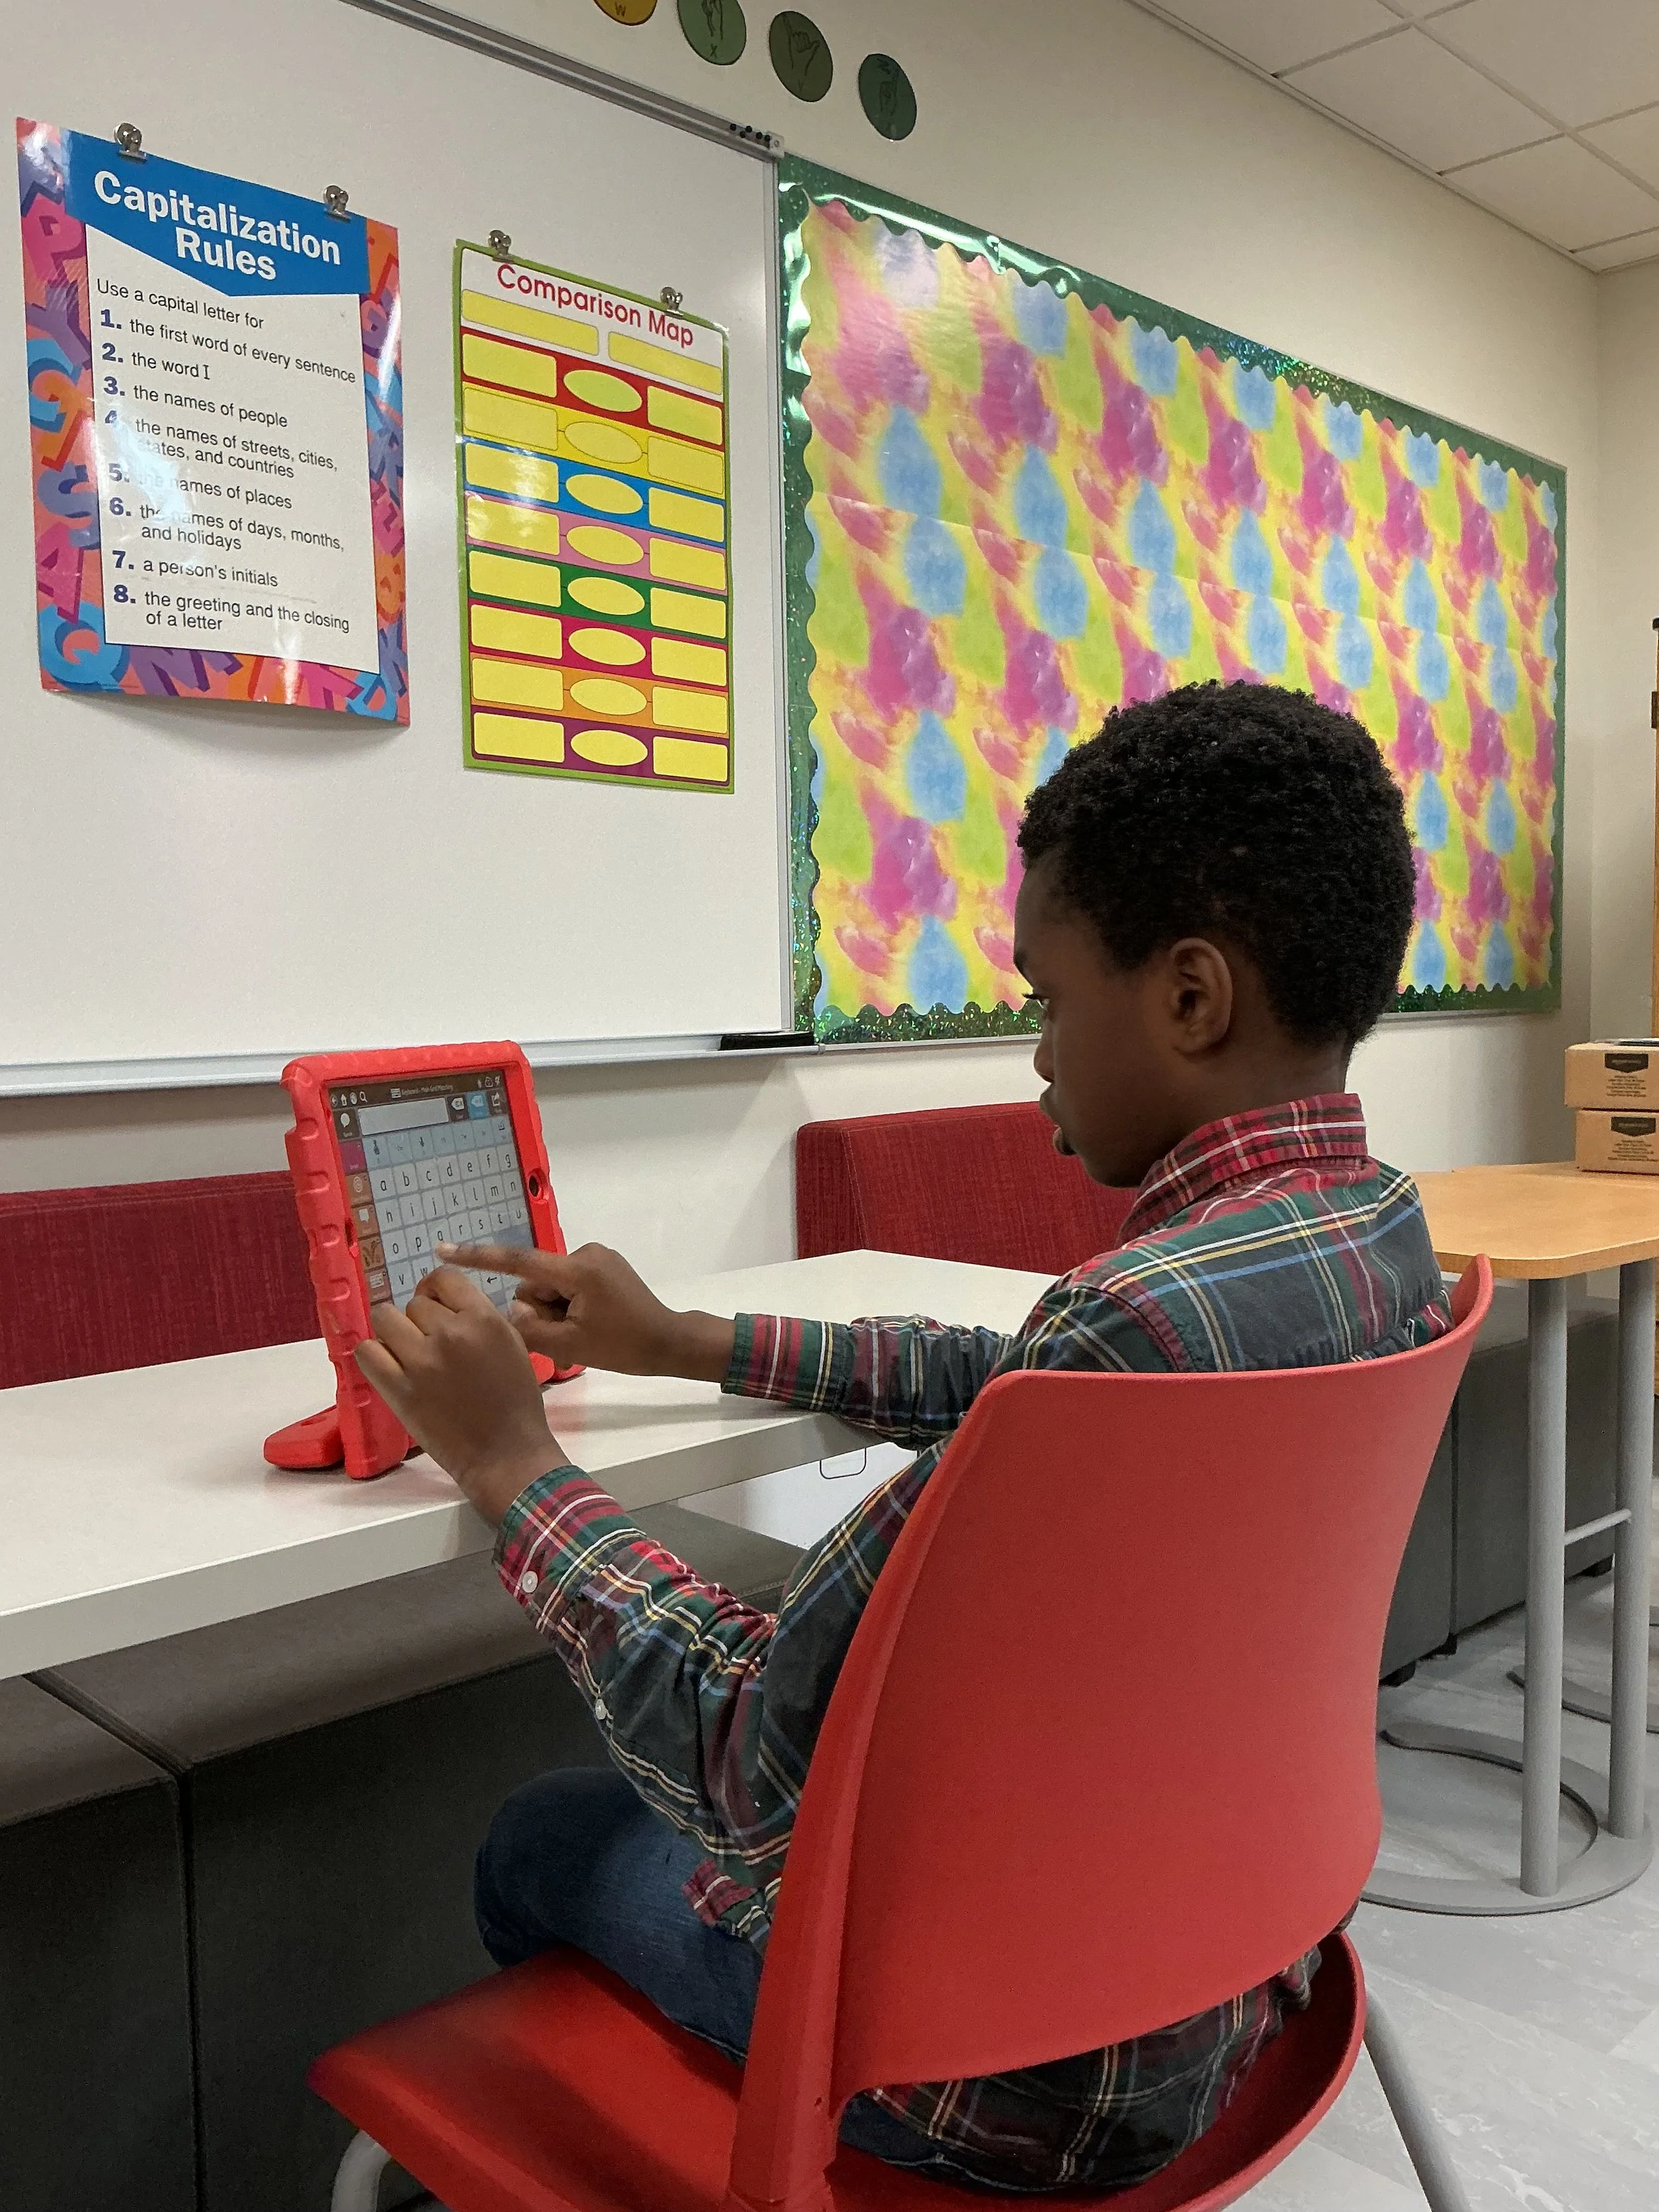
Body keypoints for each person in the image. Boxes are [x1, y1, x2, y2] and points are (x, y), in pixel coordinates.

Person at [354, 680, 1449, 2195]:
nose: (1037, 1055)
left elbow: (743, 1757)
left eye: (1048, 999)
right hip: (1239, 1971)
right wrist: (688, 1341)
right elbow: (1013, 1383)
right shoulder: (1362, 1242)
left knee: (539, 1837)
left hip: (1016, 2076)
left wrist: (510, 1467)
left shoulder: (1133, 1322)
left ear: (1189, 998)